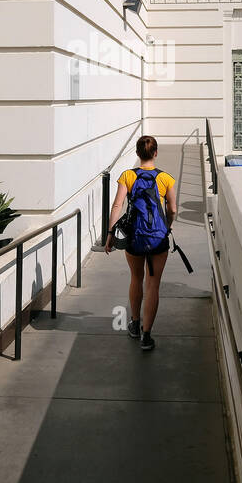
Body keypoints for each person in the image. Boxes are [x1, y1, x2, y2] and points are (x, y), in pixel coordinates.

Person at [104, 135, 177, 351]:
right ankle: (147, 336)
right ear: (155, 153)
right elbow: (172, 209)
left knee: (136, 279)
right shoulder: (166, 179)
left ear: (137, 153)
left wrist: (110, 233)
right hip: (157, 239)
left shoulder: (127, 175)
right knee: (153, 285)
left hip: (135, 238)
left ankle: (134, 324)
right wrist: (168, 226)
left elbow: (117, 205)